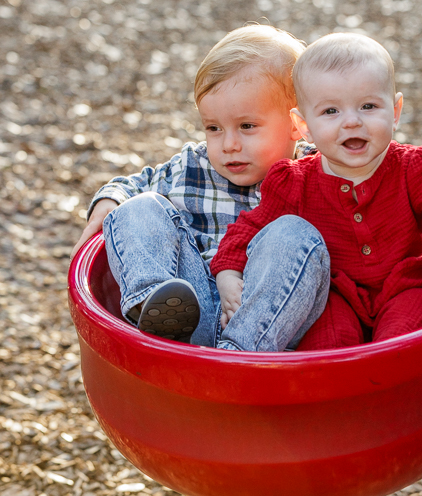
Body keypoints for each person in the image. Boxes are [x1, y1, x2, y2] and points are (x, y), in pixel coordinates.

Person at [210, 33, 422, 351]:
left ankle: (395, 394)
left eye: (368, 106)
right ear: (303, 125)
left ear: (394, 111)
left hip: (410, 286)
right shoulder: (294, 182)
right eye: (330, 112)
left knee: (402, 336)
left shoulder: (414, 168)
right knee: (328, 343)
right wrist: (228, 274)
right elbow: (250, 228)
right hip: (337, 297)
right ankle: (331, 399)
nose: (351, 122)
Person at [70, 24, 331, 351]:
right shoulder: (193, 167)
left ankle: (237, 354)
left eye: (246, 126)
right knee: (139, 206)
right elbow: (135, 184)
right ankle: (152, 303)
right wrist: (109, 201)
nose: (229, 144)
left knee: (295, 234)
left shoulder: (319, 174)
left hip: (265, 327)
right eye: (213, 128)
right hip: (191, 317)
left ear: (297, 125)